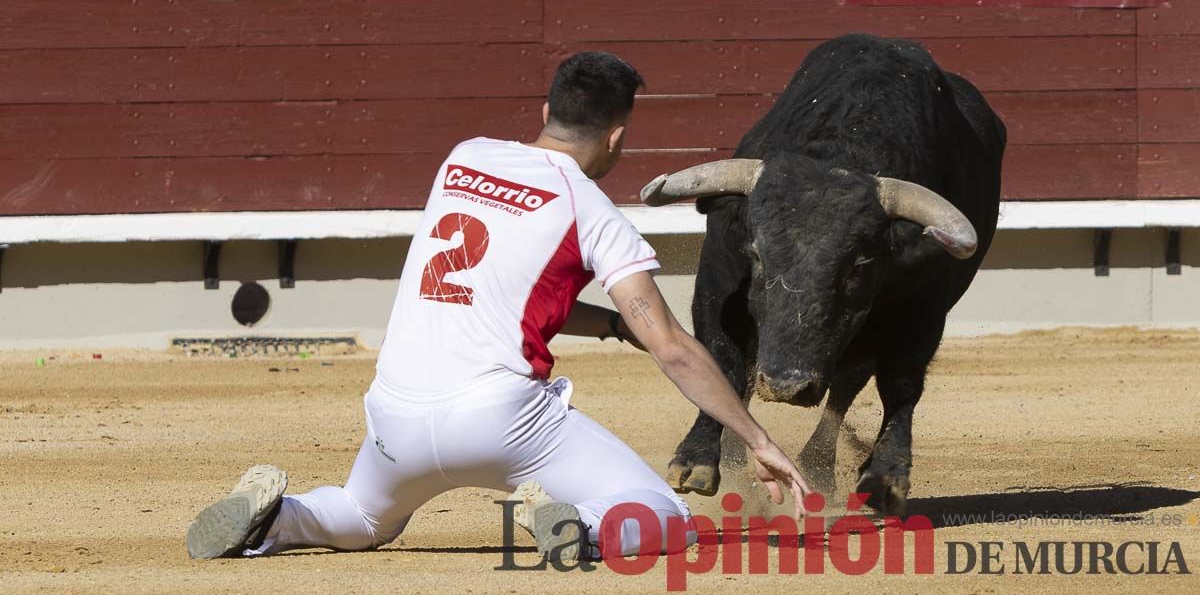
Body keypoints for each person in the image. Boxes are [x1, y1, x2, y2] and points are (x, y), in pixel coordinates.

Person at [185, 52, 811, 564]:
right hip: (501, 426)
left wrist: (615, 326)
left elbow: (508, 289)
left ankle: (283, 516)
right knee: (666, 516)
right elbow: (673, 347)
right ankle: (585, 527)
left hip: (395, 415)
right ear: (617, 137)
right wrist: (756, 438)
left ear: (546, 111)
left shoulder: (464, 158)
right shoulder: (593, 211)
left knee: (363, 516)